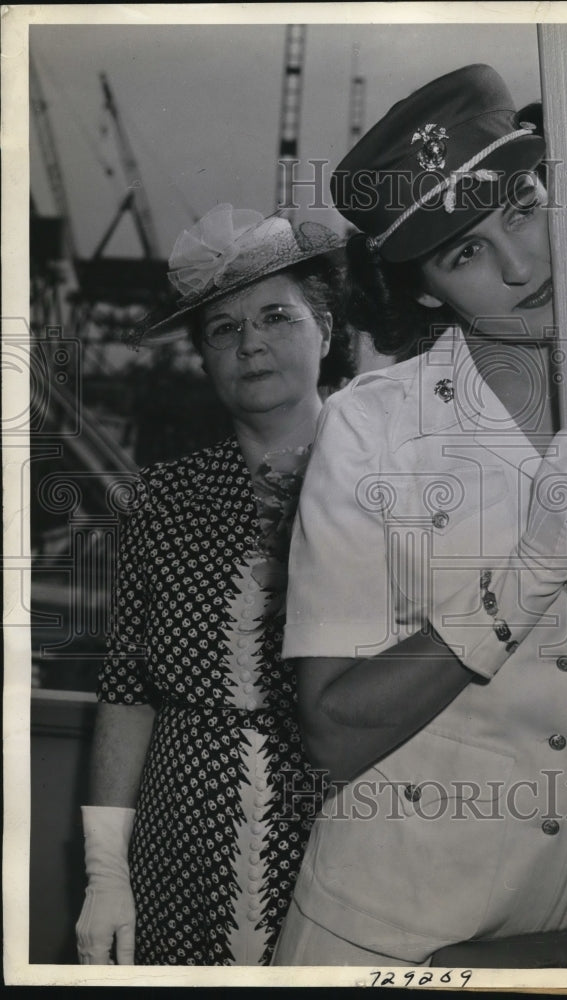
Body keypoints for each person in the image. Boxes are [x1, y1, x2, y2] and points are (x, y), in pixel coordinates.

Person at [272, 65, 567, 966]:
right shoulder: (369, 427)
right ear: (420, 290)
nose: (521, 267)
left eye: (521, 210)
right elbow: (330, 733)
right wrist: (527, 570)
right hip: (380, 932)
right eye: (464, 252)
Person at [75, 205, 354, 965]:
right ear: (203, 359)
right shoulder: (163, 497)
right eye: (222, 330)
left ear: (324, 333)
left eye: (275, 316)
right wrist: (106, 873)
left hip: (343, 843)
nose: (251, 343)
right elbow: (127, 688)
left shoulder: (379, 484)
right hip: (175, 847)